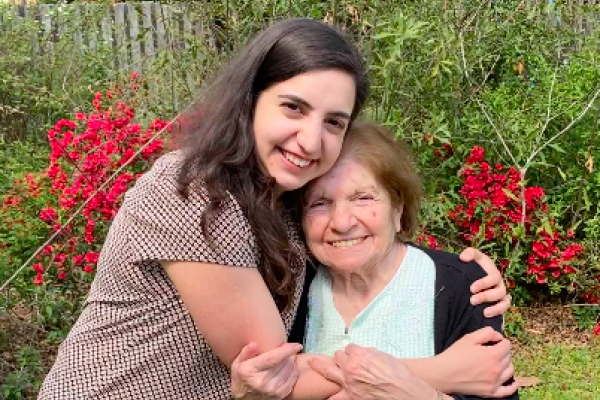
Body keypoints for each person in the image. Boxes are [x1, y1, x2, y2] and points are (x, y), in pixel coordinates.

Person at [38, 19, 510, 400]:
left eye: (333, 122)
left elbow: (353, 227)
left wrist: (457, 273)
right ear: (249, 102)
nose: (311, 139)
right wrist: (441, 372)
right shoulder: (193, 192)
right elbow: (279, 373)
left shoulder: (283, 201)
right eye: (293, 108)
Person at [296, 121, 518, 399]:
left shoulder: (464, 286)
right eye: (319, 203)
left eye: (363, 198)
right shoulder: (290, 284)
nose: (341, 222)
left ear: (398, 208)